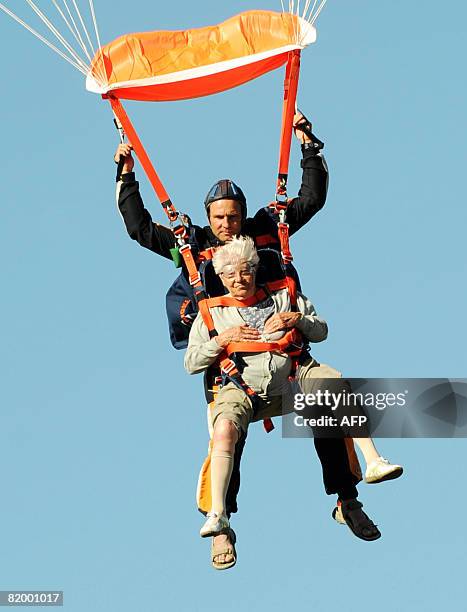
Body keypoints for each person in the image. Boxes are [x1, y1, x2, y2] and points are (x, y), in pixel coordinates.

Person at [113, 113, 402, 547]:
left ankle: (347, 499)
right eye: (218, 218)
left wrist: (308, 145)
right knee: (228, 434)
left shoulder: (268, 230)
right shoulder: (193, 245)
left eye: (232, 217)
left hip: (286, 356)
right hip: (233, 366)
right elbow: (141, 230)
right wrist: (127, 177)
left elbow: (310, 199)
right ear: (208, 218)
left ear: (244, 216)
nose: (226, 226)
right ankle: (220, 524)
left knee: (329, 403)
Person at [185, 237, 385, 569]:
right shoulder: (211, 314)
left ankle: (367, 469)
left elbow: (320, 330)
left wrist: (295, 320)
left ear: (256, 269)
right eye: (231, 273)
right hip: (242, 388)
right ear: (220, 276)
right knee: (223, 434)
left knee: (334, 389)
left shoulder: (284, 295)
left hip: (291, 377)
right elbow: (191, 362)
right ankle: (219, 518)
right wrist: (221, 341)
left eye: (246, 270)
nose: (240, 279)